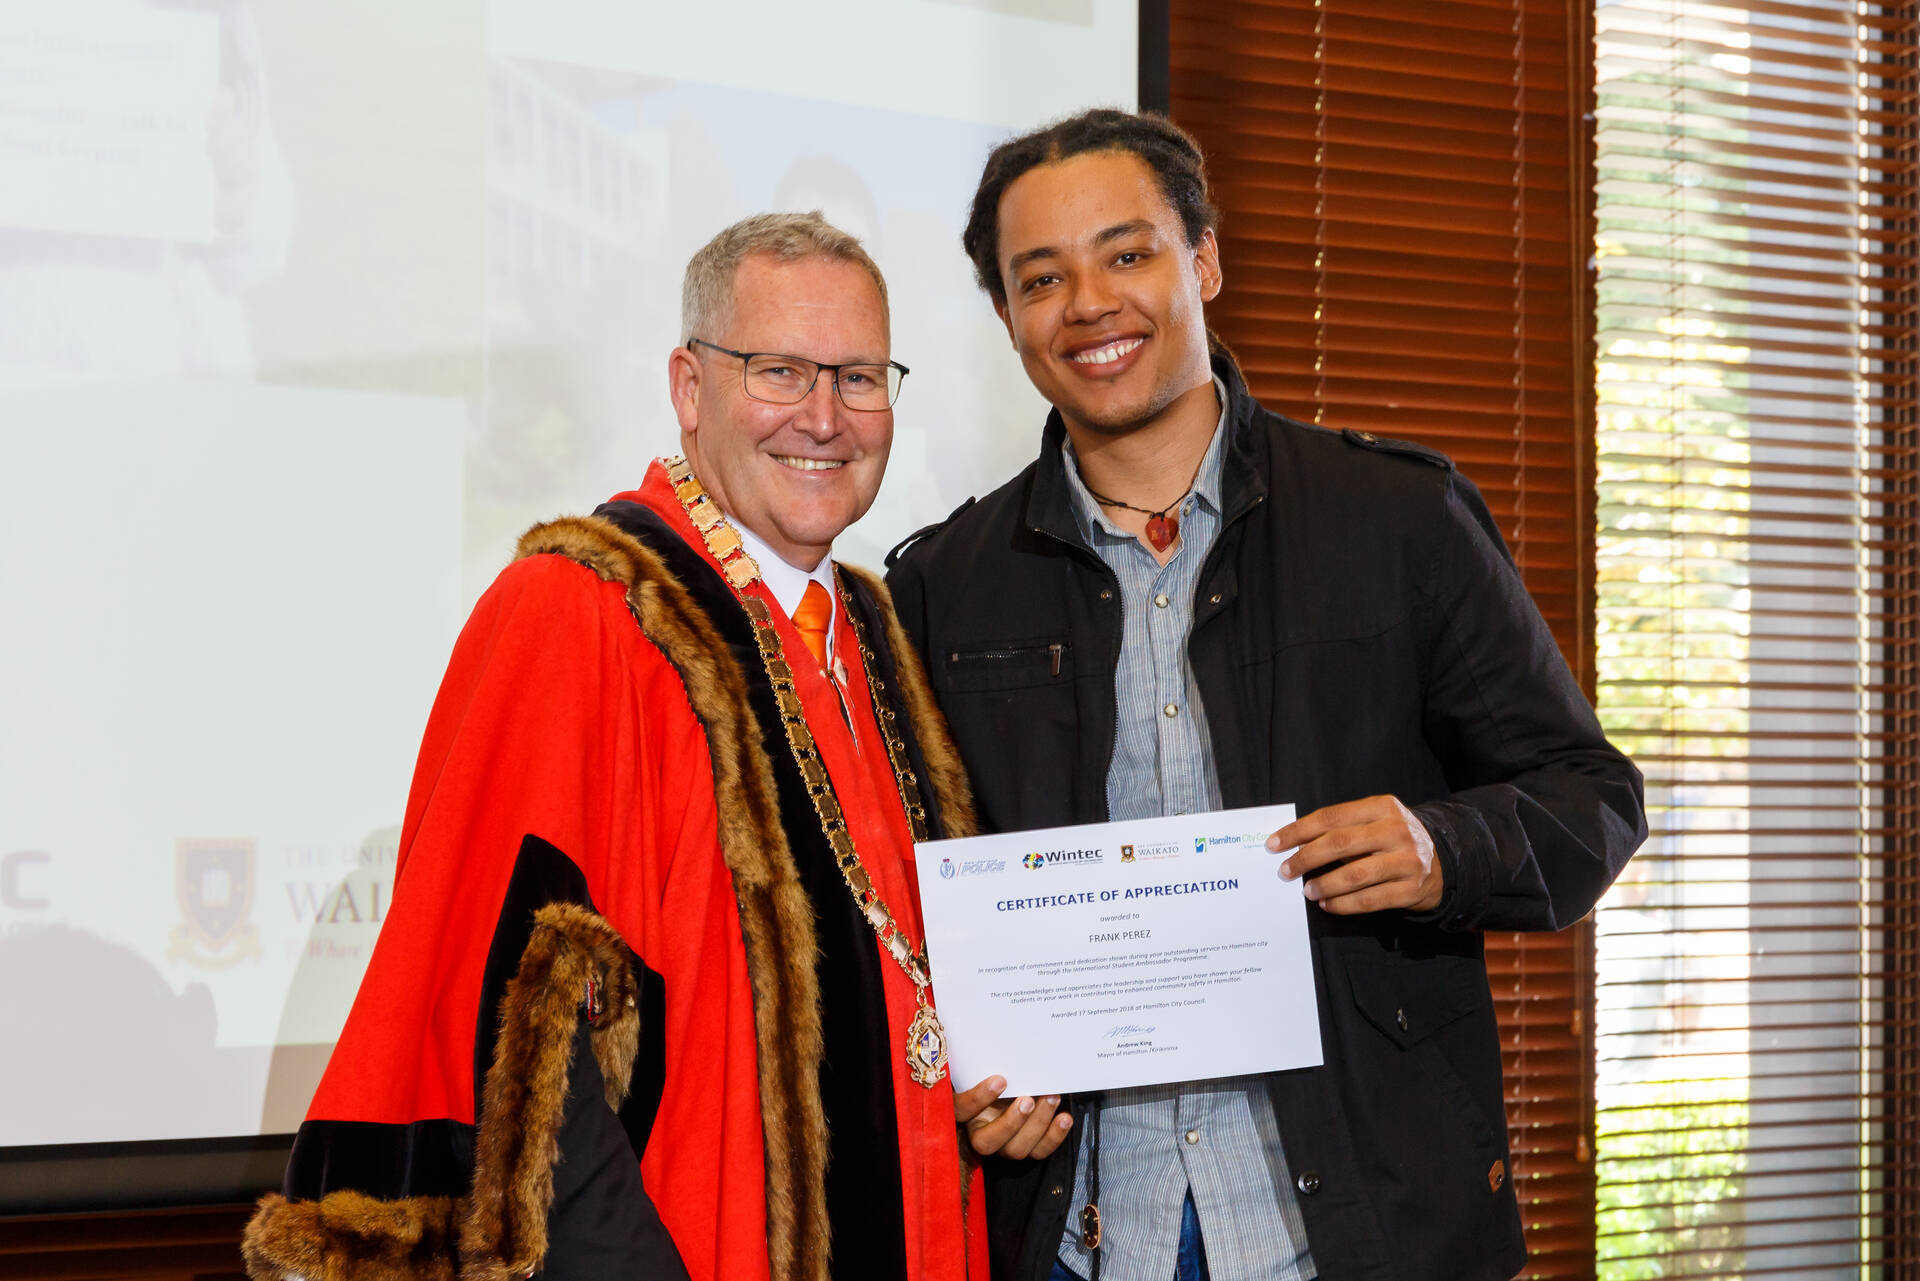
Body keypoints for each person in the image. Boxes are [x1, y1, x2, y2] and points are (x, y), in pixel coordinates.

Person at [885, 109, 1647, 1281]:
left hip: (1361, 1230)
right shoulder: (945, 585)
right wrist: (957, 1086)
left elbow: (1591, 798)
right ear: (1006, 316)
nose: (1089, 303)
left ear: (1204, 260)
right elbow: (902, 913)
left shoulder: (1396, 520)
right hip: (1081, 1238)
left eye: (1128, 254)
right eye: (1042, 278)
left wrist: (1441, 848)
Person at [243, 212, 982, 1281]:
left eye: (859, 378)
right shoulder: (575, 610)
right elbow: (509, 1027)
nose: (824, 418)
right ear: (689, 387)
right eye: (779, 371)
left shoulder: (876, 633)